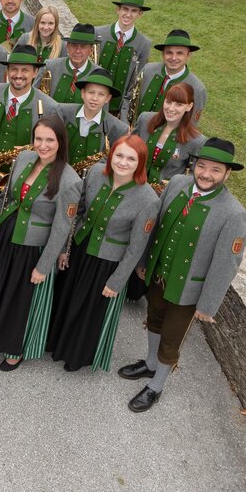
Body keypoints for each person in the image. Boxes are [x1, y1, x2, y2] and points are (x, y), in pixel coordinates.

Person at [118, 138, 246, 412]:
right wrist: (144, 262)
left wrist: (207, 305)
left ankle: (156, 387)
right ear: (194, 166)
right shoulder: (178, 184)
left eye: (216, 170)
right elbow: (154, 226)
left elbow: (226, 264)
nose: (206, 174)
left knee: (172, 337)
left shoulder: (234, 214)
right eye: (202, 166)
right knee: (153, 320)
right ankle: (150, 364)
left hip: (188, 290)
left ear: (227, 174)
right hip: (158, 275)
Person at [0, 117, 82, 370]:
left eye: (50, 140)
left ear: (61, 142)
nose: (43, 145)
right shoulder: (25, 160)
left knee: (20, 300)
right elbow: (6, 197)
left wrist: (44, 266)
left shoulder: (71, 181)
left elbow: (62, 228)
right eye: (38, 138)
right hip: (7, 237)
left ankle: (15, 348)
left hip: (32, 248)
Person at [47, 135, 159, 372]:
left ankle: (75, 355)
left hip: (106, 263)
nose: (123, 162)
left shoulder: (148, 199)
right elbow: (79, 211)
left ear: (140, 162)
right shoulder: (96, 174)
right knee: (65, 297)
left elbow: (136, 247)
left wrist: (117, 281)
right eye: (119, 155)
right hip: (79, 249)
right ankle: (53, 343)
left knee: (87, 310)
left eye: (131, 158)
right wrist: (65, 249)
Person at [0, 44, 61, 156]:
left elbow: (55, 145)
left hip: (25, 171)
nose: (18, 75)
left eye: (25, 70)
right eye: (14, 69)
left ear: (35, 73)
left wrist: (35, 149)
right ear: (7, 71)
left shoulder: (49, 106)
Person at [133, 83, 206, 188]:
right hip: (131, 184)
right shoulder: (145, 119)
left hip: (162, 195)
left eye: (179, 104)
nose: (171, 108)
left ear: (189, 106)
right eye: (168, 102)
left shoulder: (197, 141)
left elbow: (193, 174)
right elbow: (128, 147)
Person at [126, 29, 207, 122]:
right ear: (163, 53)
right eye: (169, 52)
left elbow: (190, 125)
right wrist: (125, 126)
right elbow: (129, 99)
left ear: (188, 55)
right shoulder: (147, 70)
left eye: (179, 53)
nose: (173, 58)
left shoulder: (197, 89)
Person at [95, 0, 152, 115]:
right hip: (93, 100)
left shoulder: (144, 43)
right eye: (125, 9)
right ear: (118, 10)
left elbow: (136, 81)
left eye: (134, 11)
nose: (128, 14)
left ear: (140, 14)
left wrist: (125, 111)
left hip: (117, 109)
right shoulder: (98, 33)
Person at [58, 69, 130, 166]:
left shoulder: (118, 129)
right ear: (83, 93)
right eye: (91, 92)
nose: (95, 98)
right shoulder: (62, 112)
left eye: (101, 94)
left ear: (108, 98)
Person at [38, 23, 101, 105]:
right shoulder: (50, 66)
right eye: (74, 45)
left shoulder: (98, 74)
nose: (78, 51)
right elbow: (35, 96)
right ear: (67, 46)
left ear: (91, 49)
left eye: (83, 47)